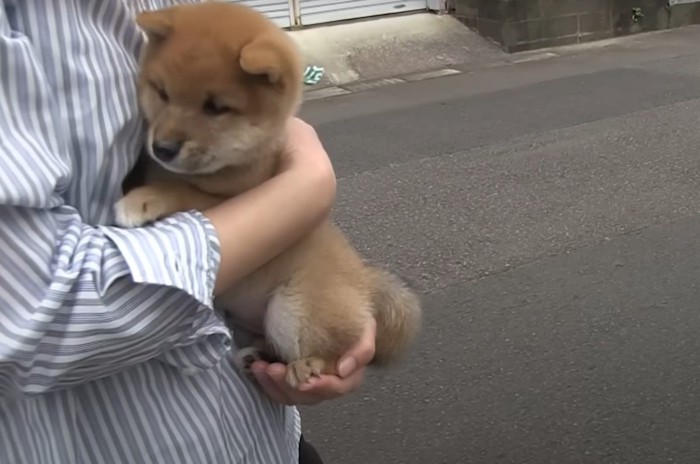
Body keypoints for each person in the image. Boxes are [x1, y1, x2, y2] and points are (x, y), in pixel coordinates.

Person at [0, 1, 375, 463]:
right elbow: (30, 316)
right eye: (160, 93)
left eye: (213, 108)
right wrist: (305, 187)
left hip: (261, 430)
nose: (169, 134)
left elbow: (254, 85)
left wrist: (292, 149)